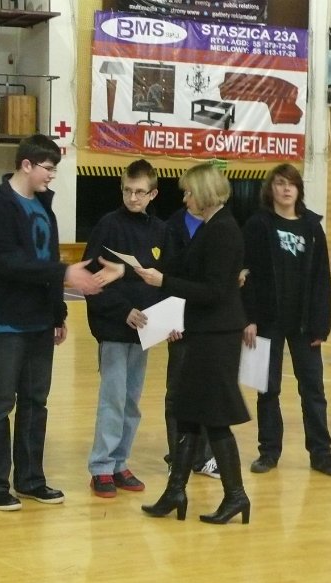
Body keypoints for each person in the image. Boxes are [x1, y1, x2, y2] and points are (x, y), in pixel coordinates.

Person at [0, 133, 109, 511]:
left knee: (36, 403)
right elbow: (8, 262)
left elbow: (46, 261)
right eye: (48, 169)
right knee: (0, 403)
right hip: (3, 323)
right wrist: (65, 273)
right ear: (26, 165)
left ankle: (31, 479)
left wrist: (57, 313)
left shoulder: (44, 208)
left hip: (38, 323)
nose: (51, 175)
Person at [136, 162, 251, 525]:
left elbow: (213, 291)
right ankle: (175, 491)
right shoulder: (210, 227)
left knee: (214, 418)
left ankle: (236, 495)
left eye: (188, 192)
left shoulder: (223, 230)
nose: (184, 199)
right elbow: (191, 272)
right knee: (187, 413)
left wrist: (163, 282)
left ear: (203, 193)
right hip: (203, 332)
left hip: (217, 336)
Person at [241, 163, 331, 477]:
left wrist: (321, 325)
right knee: (267, 389)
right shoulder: (257, 225)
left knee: (313, 390)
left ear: (298, 189)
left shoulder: (312, 227)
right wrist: (248, 318)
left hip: (305, 324)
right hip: (266, 321)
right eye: (280, 183)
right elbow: (246, 275)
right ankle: (268, 452)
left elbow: (322, 279)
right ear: (270, 189)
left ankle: (322, 454)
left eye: (292, 184)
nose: (286, 189)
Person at [82, 159, 168, 498]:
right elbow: (92, 278)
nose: (133, 198)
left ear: (153, 194)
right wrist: (122, 311)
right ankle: (101, 467)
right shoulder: (108, 225)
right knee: (113, 399)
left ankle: (120, 462)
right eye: (128, 191)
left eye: (140, 192)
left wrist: (167, 319)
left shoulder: (161, 230)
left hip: (145, 331)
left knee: (132, 401)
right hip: (114, 329)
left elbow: (164, 278)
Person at [162, 204, 219, 479]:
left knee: (207, 391)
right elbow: (163, 275)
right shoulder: (171, 228)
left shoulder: (220, 226)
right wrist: (169, 319)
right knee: (177, 392)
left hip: (209, 323)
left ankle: (203, 457)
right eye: (185, 192)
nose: (188, 197)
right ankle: (178, 457)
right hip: (179, 325)